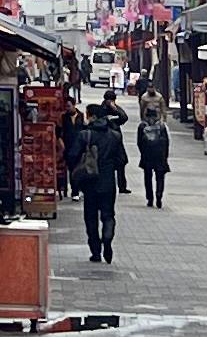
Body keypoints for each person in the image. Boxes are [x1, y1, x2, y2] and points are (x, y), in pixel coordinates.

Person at [71, 102, 125, 264]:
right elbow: (122, 160)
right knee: (108, 215)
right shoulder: (115, 136)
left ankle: (96, 251)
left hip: (90, 182)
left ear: (91, 117)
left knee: (91, 217)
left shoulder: (85, 135)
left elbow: (72, 155)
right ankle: (107, 238)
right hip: (108, 182)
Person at [135, 99, 172, 210]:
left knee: (148, 177)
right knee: (160, 177)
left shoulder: (142, 126)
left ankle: (149, 198)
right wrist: (165, 156)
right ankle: (159, 196)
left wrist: (143, 153)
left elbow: (139, 142)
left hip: (147, 155)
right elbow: (167, 142)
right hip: (160, 155)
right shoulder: (161, 126)